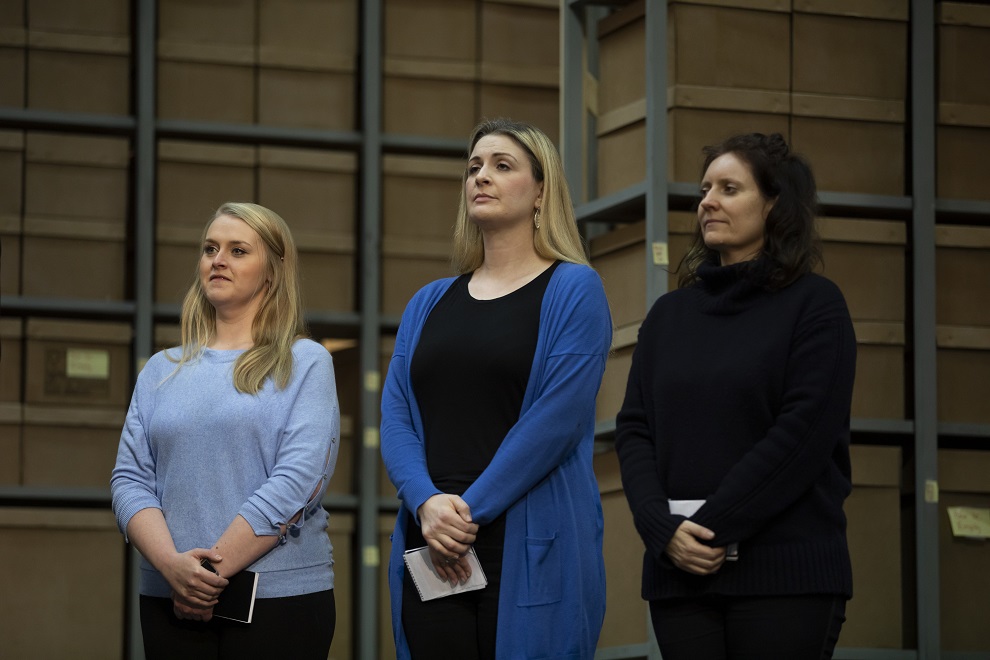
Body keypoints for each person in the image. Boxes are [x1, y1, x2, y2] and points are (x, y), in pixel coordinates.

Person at [614, 132, 856, 660]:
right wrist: (662, 529)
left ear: (774, 205)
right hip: (681, 576)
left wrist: (710, 527)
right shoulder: (669, 316)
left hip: (785, 574)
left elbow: (801, 436)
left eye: (729, 188)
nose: (708, 201)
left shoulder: (817, 307)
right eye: (705, 189)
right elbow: (634, 429)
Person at [380, 118, 612, 660]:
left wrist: (464, 514)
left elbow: (555, 422)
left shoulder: (574, 289)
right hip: (432, 538)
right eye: (474, 167)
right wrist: (426, 504)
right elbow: (395, 416)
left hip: (527, 541)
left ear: (541, 192)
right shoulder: (429, 301)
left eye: (502, 166)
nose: (482, 176)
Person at [111, 202, 340, 659]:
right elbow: (129, 480)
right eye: (210, 249)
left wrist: (204, 576)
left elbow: (299, 479)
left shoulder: (306, 361)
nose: (218, 260)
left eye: (238, 250)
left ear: (272, 272)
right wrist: (174, 569)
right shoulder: (161, 369)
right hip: (166, 596)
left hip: (279, 600)